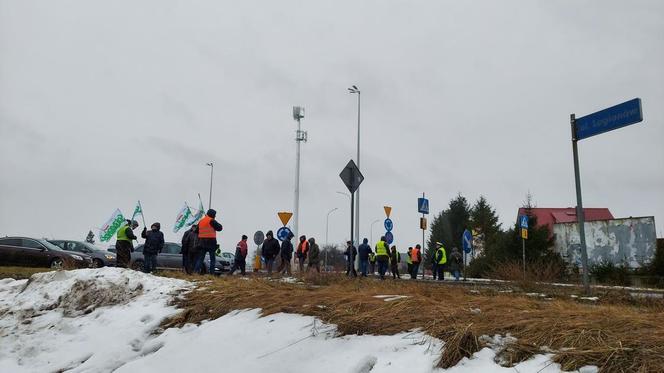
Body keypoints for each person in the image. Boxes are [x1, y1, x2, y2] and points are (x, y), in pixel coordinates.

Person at [194, 209, 223, 275]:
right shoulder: (212, 221)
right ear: (212, 215)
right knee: (212, 259)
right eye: (215, 215)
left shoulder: (201, 221)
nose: (215, 216)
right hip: (211, 243)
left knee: (200, 259)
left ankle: (196, 272)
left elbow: (196, 231)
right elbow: (220, 228)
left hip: (202, 242)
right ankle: (212, 273)